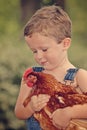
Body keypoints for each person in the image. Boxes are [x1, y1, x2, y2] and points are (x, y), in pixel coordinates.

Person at [14, 5, 87, 130]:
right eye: (34, 51)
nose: (39, 56)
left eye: (44, 49)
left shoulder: (79, 76)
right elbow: (19, 112)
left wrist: (69, 112)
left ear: (65, 43)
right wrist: (31, 107)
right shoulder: (32, 76)